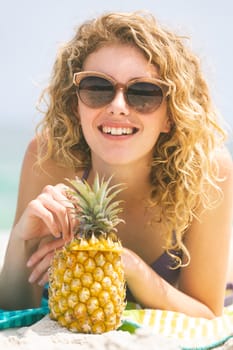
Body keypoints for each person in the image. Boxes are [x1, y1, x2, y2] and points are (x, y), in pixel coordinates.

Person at [0, 11, 232, 318]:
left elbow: (206, 312)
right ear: (75, 104)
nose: (118, 107)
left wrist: (128, 265)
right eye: (97, 87)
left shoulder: (209, 172)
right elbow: (15, 308)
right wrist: (20, 241)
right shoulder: (48, 158)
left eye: (144, 93)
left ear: (170, 114)